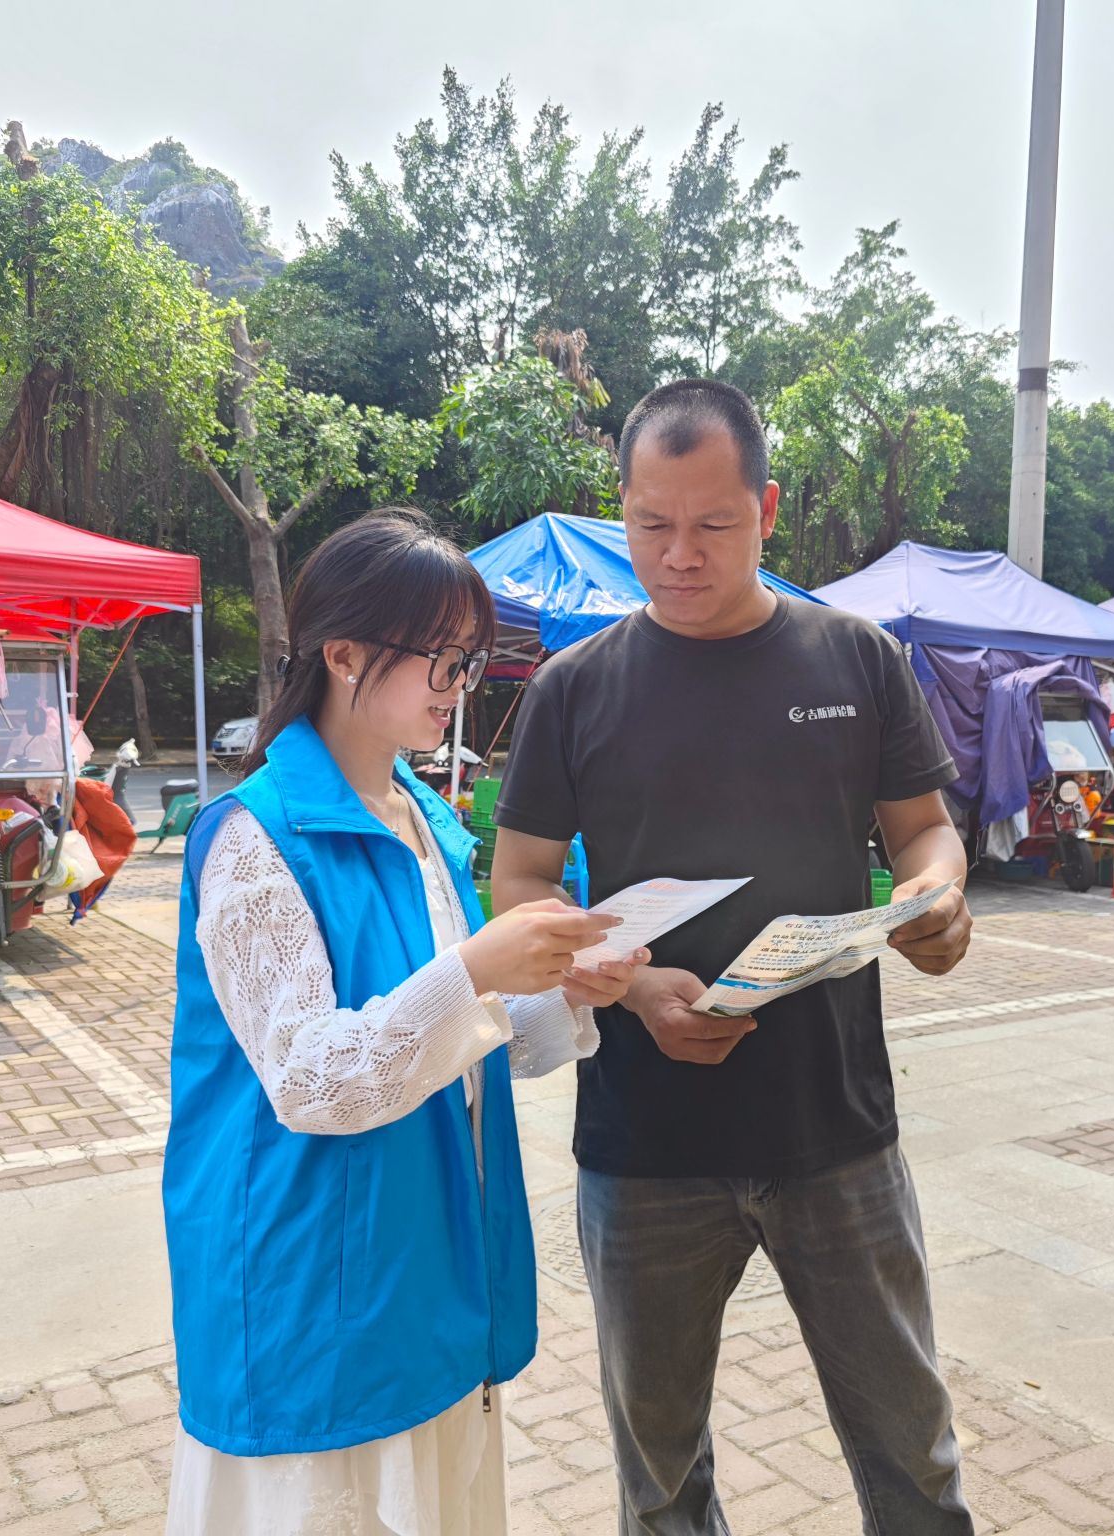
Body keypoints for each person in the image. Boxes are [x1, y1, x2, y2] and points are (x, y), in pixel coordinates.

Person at [492, 380, 977, 1534]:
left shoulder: (856, 660)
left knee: (910, 1459)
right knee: (660, 1480)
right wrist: (628, 984)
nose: (678, 555)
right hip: (643, 1145)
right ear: (621, 510)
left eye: (712, 524)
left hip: (835, 1131)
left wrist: (934, 895)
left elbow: (921, 829)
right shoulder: (572, 689)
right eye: (650, 524)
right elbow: (519, 883)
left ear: (765, 509)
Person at [162, 510, 648, 1536]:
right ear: (342, 654)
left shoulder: (424, 820)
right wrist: (477, 967)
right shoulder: (253, 837)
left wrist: (563, 989)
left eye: (468, 661)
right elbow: (312, 1080)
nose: (457, 685)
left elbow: (455, 1044)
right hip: (312, 1270)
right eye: (440, 657)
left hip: (420, 1250)